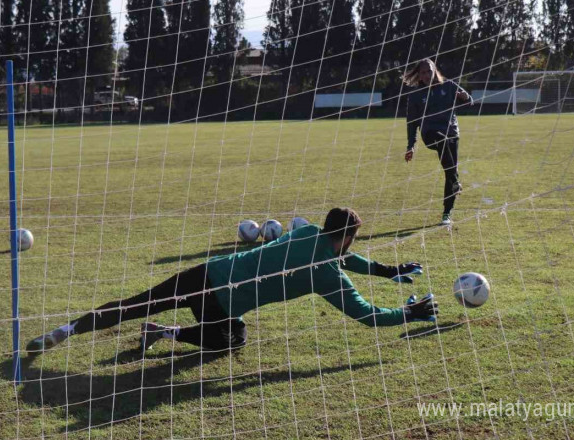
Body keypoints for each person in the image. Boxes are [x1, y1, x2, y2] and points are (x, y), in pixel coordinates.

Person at [26, 208, 439, 355]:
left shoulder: (306, 231)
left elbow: (346, 257)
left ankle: (65, 330)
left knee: (138, 301)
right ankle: (167, 334)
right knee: (234, 339)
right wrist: (406, 312)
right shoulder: (328, 276)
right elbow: (366, 315)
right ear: (347, 237)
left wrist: (386, 270)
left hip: (207, 272)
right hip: (220, 305)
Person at [403, 58, 471, 225]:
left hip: (452, 133)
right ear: (419, 75)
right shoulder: (416, 95)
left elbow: (469, 101)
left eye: (429, 71)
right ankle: (455, 180)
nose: (426, 75)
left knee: (450, 172)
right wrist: (411, 145)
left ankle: (447, 213)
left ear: (435, 71)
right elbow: (412, 122)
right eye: (423, 72)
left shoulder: (449, 86)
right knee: (441, 141)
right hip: (430, 134)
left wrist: (465, 96)